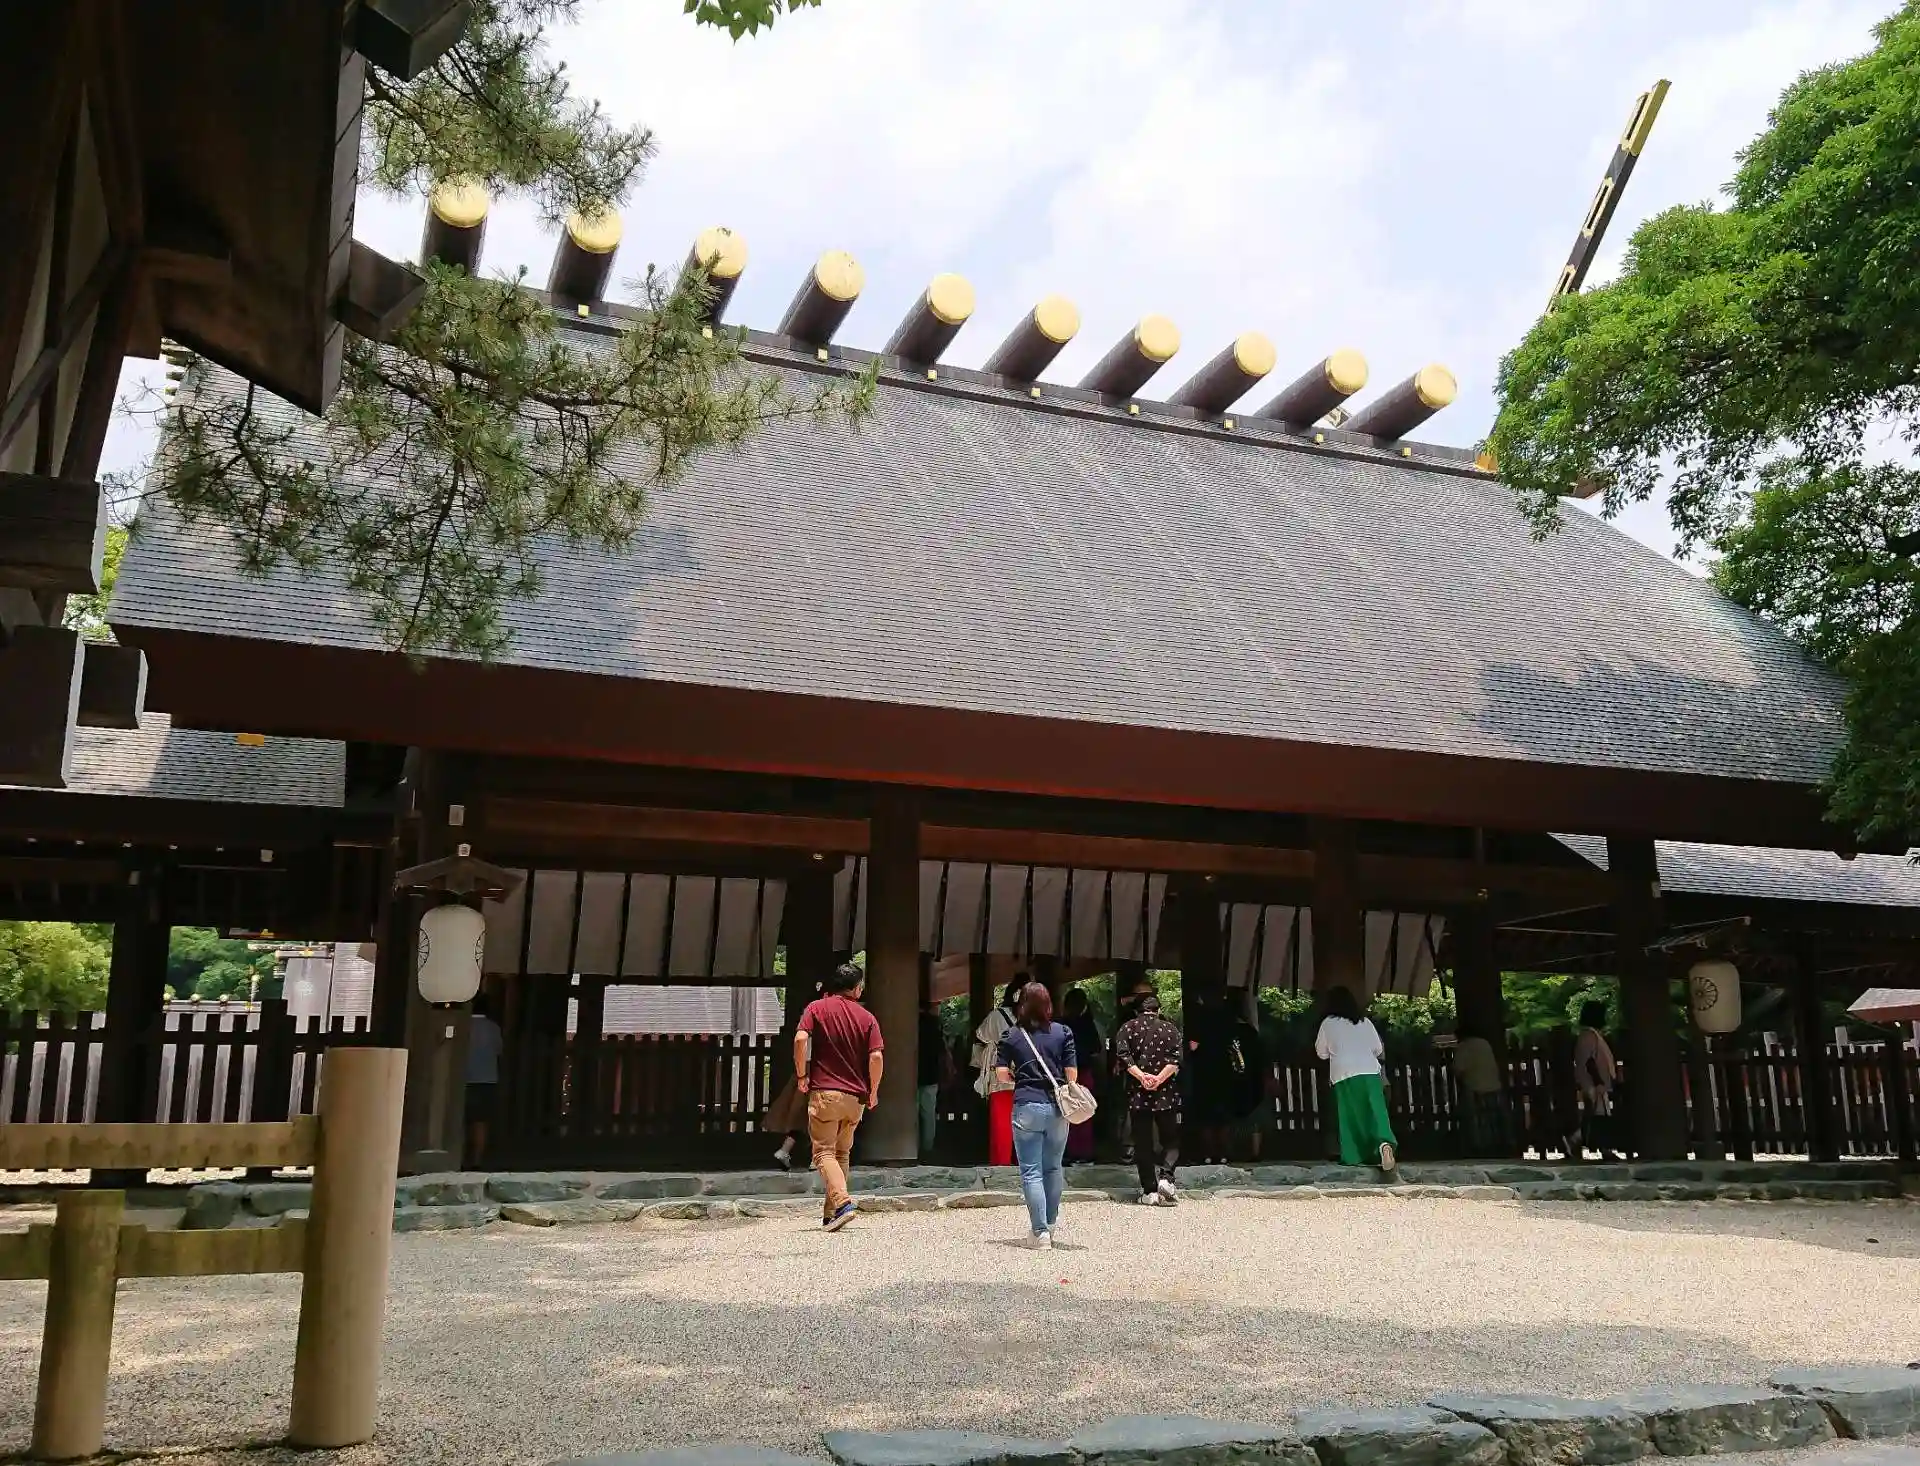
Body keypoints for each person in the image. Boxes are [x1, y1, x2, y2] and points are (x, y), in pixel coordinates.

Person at [796, 962, 885, 1232]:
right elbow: (876, 1056)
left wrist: (802, 1074)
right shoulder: (867, 1018)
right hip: (855, 1097)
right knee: (841, 1154)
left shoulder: (816, 1008)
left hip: (825, 1093)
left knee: (823, 1153)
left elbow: (800, 1039)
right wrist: (874, 1090)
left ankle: (843, 1203)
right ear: (857, 988)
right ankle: (831, 1215)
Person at [994, 981, 1078, 1248]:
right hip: (1058, 1108)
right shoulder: (1063, 1032)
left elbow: (1001, 1074)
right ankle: (1050, 1225)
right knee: (1053, 1167)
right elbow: (1072, 1075)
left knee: (1031, 1172)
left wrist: (1019, 1077)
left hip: (1027, 1105)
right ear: (1048, 1004)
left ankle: (1039, 1232)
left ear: (1021, 1005)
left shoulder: (1011, 1035)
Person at [1314, 986, 1397, 1173]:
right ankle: (1384, 1144)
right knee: (1375, 1111)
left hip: (1344, 1073)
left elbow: (1321, 1053)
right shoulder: (1365, 1021)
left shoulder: (1328, 1023)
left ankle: (1354, 1155)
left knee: (1350, 1115)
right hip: (1370, 1071)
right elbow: (1378, 1049)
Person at [1112, 990, 1182, 1205]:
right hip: (1164, 1094)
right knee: (1171, 1139)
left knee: (1142, 1142)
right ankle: (1167, 1177)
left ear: (1137, 1011)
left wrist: (1142, 1077)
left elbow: (1124, 1057)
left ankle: (1149, 1191)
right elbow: (1175, 1060)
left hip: (1138, 1094)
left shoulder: (1127, 1028)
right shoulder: (1171, 1029)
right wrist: (1158, 1079)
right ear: (1158, 1010)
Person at [972, 978, 1024, 1167]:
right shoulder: (1036, 1017)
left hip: (1001, 1076)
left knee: (1002, 1126)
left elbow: (981, 1035)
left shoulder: (996, 1016)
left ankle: (1001, 1166)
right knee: (1027, 1126)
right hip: (1029, 1076)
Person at [1572, 1000, 1621, 1160]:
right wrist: (1598, 1082)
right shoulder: (1589, 1036)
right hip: (1594, 1083)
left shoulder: (1592, 1034)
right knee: (1598, 1115)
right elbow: (1590, 1062)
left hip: (1596, 1082)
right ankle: (1600, 1147)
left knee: (1596, 1115)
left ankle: (1578, 1140)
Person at [1451, 1030, 1512, 1157]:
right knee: (1494, 1119)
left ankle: (1480, 1148)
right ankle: (1500, 1146)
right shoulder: (1484, 1043)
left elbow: (1458, 1068)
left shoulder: (1464, 1047)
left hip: (1476, 1088)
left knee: (1477, 1121)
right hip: (1494, 1086)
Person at [1061, 988, 1104, 1162]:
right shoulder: (1088, 1024)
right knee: (1085, 1111)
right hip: (1084, 1072)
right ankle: (1085, 1153)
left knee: (1066, 1112)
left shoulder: (1061, 1025)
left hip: (1064, 1074)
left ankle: (1067, 1152)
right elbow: (1096, 1048)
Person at [465, 994, 504, 1166]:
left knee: (461, 1118)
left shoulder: (464, 1026)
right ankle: (477, 1158)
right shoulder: (493, 1028)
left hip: (464, 1078)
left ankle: (461, 1154)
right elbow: (499, 1050)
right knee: (480, 1120)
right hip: (487, 1078)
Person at [917, 995, 952, 1158]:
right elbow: (942, 1051)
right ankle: (927, 1147)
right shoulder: (934, 1025)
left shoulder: (907, 1023)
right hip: (931, 1073)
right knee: (929, 1113)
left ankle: (911, 1145)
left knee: (911, 1112)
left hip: (908, 1076)